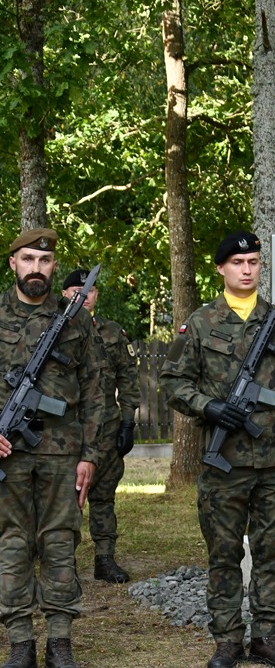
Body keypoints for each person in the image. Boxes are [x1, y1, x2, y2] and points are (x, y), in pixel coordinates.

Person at [159, 231, 275, 668]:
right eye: (237, 263)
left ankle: (266, 638)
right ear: (221, 268)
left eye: (253, 262)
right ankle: (228, 640)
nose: (246, 270)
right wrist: (208, 406)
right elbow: (173, 382)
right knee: (224, 553)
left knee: (273, 553)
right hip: (225, 463)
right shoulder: (201, 322)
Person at [0, 228, 103, 668]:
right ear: (13, 263)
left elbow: (96, 391)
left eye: (44, 261)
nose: (36, 268)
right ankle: (20, 640)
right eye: (27, 259)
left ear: (54, 266)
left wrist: (90, 455)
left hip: (63, 451)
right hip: (8, 451)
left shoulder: (75, 320)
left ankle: (59, 639)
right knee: (12, 542)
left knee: (61, 541)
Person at [62, 269, 140, 585]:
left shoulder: (112, 332)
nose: (85, 295)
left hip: (106, 426)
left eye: (91, 290)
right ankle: (63, 563)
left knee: (104, 492)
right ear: (65, 294)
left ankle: (104, 558)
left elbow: (128, 377)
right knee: (65, 496)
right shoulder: (55, 329)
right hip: (66, 426)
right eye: (77, 290)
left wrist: (128, 421)